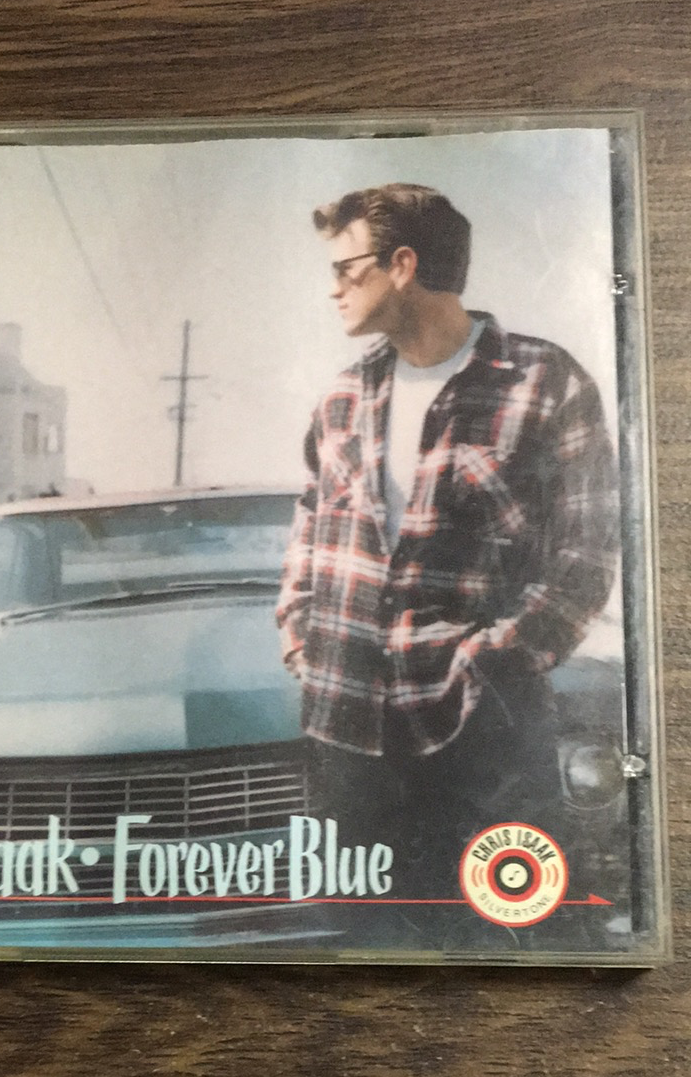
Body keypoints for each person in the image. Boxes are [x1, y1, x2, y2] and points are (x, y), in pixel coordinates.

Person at [275, 183, 620, 915]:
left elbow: (587, 550)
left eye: (345, 268)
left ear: (402, 265)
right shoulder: (342, 397)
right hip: (346, 728)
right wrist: (301, 634)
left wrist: (496, 658)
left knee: (502, 933)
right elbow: (310, 521)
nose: (333, 287)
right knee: (357, 945)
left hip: (483, 736)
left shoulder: (544, 383)